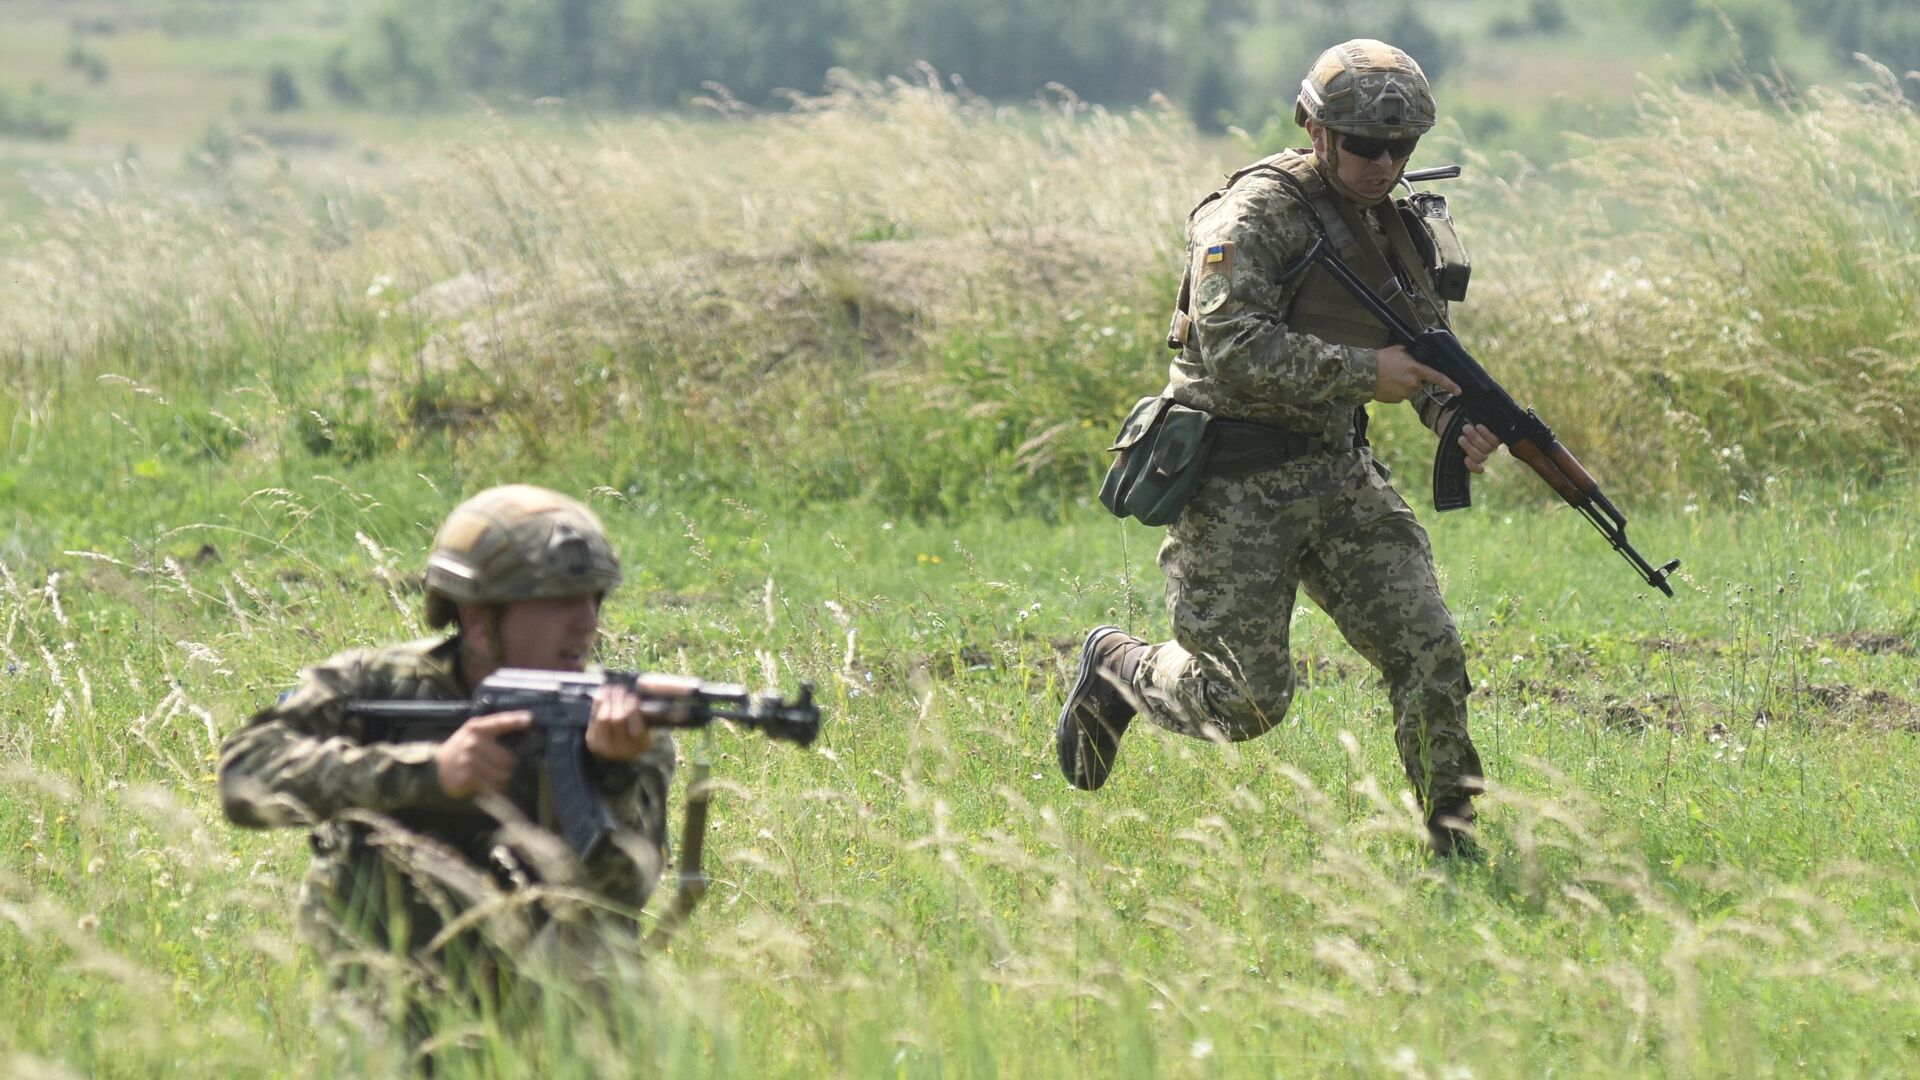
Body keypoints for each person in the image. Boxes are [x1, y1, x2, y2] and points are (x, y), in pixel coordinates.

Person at [1058, 40, 1500, 854]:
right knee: (1243, 702)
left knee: (1428, 650)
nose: (1385, 163)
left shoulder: (1391, 221)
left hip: (1337, 471)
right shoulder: (1251, 217)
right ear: (1314, 127)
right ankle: (1120, 667)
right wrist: (1370, 373)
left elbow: (1422, 350)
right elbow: (1231, 346)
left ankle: (1456, 843)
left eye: (1402, 148)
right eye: (1366, 146)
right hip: (1234, 479)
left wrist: (1451, 420)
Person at [219, 484, 683, 1034]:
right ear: (479, 618)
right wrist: (429, 773)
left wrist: (613, 773)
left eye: (594, 598)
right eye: (558, 600)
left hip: (558, 1030)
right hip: (394, 1014)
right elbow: (244, 775)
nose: (586, 622)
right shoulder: (376, 684)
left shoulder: (619, 723)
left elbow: (618, 900)